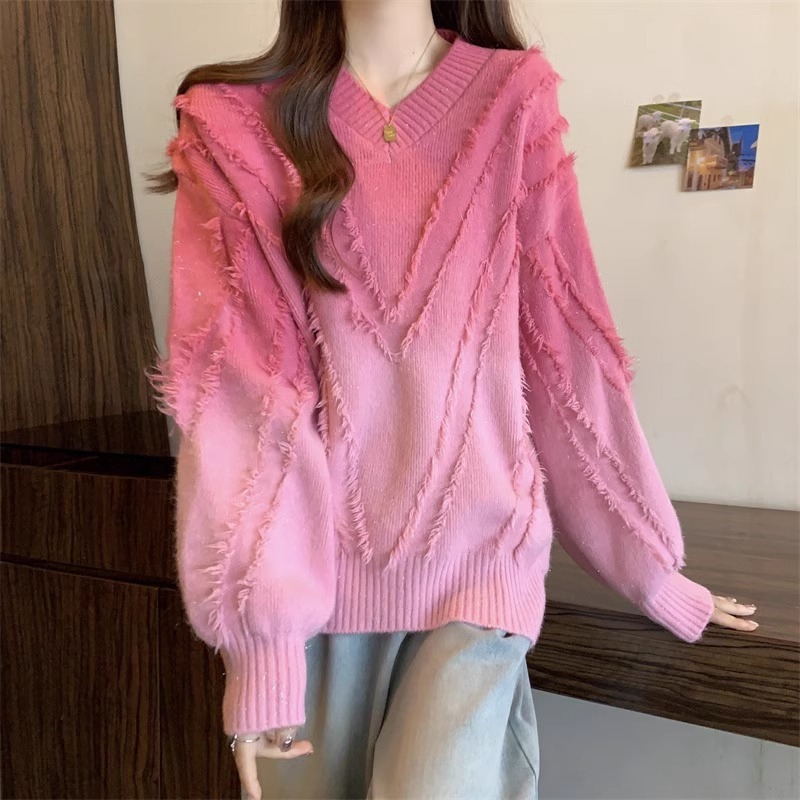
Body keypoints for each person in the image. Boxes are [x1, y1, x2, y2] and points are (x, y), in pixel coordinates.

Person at [145, 1, 759, 798]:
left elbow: (562, 350)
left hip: (480, 572)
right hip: (310, 598)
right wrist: (262, 648)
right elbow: (244, 397)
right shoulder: (234, 126)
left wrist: (647, 566)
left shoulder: (511, 99)